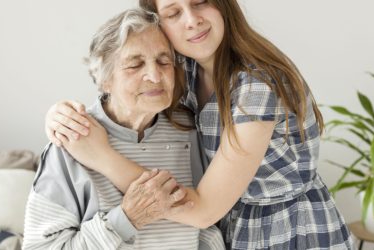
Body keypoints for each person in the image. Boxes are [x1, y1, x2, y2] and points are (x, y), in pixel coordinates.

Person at [45, 0, 354, 249]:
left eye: (201, 2)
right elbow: (123, 91)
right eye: (174, 12)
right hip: (235, 226)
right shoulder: (187, 71)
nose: (191, 20)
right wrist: (62, 116)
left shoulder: (256, 87)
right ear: (160, 25)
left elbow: (205, 208)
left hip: (290, 230)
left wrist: (101, 157)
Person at [23, 8, 225, 250]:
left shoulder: (190, 130)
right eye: (135, 65)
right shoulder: (71, 138)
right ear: (104, 79)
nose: (155, 75)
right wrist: (125, 219)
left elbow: (207, 231)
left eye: (163, 61)